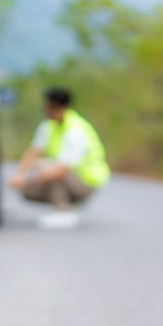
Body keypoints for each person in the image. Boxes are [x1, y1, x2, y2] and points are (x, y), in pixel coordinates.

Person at [10, 87, 110, 227]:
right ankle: (63, 206)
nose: (46, 111)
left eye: (50, 107)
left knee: (50, 170)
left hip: (86, 182)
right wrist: (18, 175)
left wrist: (28, 180)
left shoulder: (75, 129)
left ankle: (64, 210)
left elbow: (62, 169)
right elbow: (33, 152)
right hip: (70, 175)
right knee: (39, 166)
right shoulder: (48, 125)